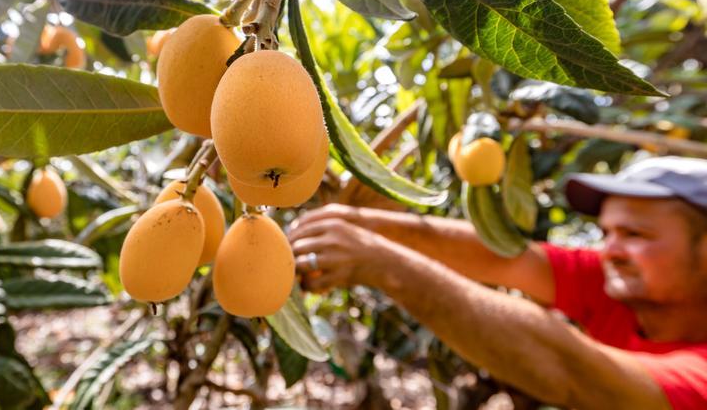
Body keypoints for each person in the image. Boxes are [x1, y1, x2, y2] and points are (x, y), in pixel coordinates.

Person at [289, 156, 707, 409]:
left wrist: (385, 264)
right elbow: (505, 257)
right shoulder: (630, 283)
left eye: (635, 235)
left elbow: (571, 371)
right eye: (606, 232)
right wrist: (354, 225)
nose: (610, 251)